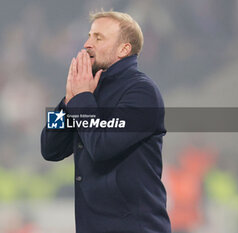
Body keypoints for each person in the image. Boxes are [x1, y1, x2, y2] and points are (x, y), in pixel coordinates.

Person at [41, 10, 171, 233]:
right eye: (89, 36)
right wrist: (67, 101)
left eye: (98, 38)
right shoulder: (89, 90)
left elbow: (101, 146)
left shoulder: (142, 92)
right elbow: (49, 148)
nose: (87, 44)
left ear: (124, 49)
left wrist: (81, 98)